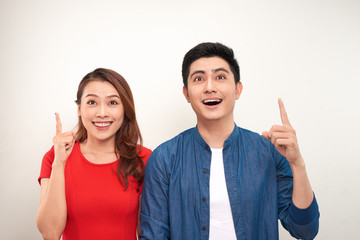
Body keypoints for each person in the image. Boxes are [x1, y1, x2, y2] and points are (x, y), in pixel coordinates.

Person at [140, 43, 319, 240]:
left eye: (220, 77)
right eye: (199, 79)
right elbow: (153, 235)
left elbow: (305, 230)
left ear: (238, 89)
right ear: (187, 94)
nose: (209, 87)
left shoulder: (268, 152)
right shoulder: (164, 158)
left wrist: (297, 164)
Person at [36, 68, 151, 240]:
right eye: (92, 102)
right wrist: (59, 164)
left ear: (125, 109)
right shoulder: (55, 156)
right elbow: (50, 234)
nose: (102, 113)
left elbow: (147, 233)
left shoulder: (143, 158)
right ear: (79, 108)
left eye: (112, 103)